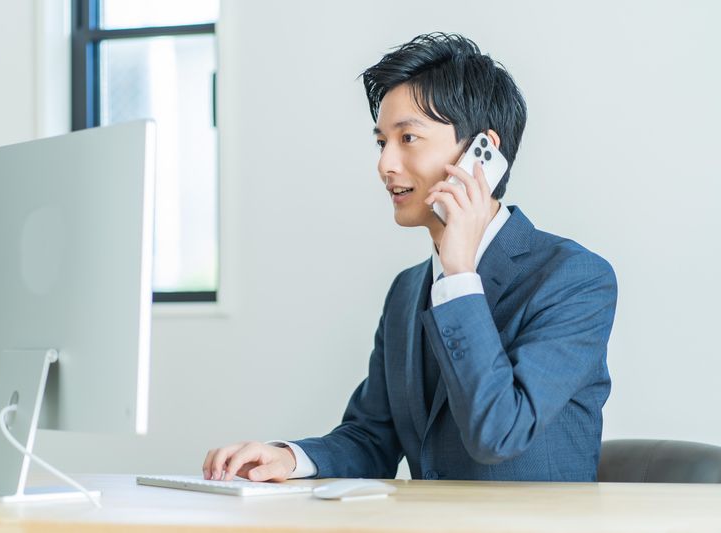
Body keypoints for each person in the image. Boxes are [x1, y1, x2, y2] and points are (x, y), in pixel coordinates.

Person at [203, 32, 618, 482]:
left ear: (482, 155)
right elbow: (371, 437)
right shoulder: (407, 290)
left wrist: (459, 275)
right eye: (382, 142)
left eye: (408, 138)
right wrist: (290, 458)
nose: (385, 164)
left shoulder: (573, 278)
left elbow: (500, 433)